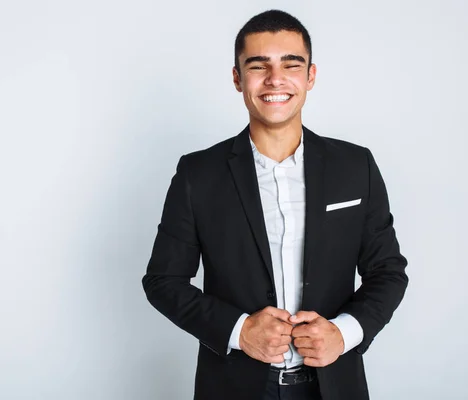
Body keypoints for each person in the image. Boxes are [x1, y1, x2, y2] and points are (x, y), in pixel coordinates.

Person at [142, 9, 408, 400]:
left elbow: (388, 272)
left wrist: (343, 332)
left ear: (310, 76)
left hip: (334, 387)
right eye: (258, 65)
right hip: (234, 387)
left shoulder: (356, 167)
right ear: (237, 78)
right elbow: (163, 281)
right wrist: (239, 330)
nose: (275, 79)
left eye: (291, 64)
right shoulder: (197, 174)